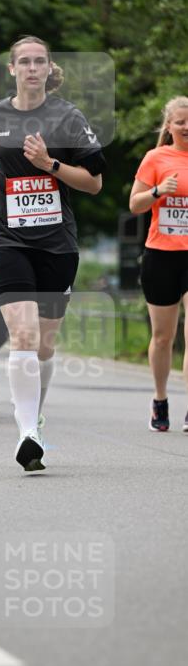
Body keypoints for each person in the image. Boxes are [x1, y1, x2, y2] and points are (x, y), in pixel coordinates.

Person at [0, 35, 105, 470]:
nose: (31, 68)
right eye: (24, 62)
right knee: (21, 335)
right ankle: (27, 434)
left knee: (43, 345)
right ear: (11, 69)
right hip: (7, 238)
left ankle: (34, 417)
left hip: (56, 244)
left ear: (48, 69)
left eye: (39, 61)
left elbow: (94, 182)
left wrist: (50, 165)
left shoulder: (68, 117)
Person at [129, 95, 188, 432]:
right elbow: (135, 204)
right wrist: (158, 192)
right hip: (162, 255)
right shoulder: (155, 158)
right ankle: (160, 399)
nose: (186, 127)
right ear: (169, 126)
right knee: (163, 337)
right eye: (180, 121)